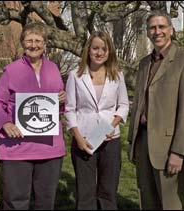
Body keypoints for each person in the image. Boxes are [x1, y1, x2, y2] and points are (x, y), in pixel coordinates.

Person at [127, 10, 184, 210]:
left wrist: (178, 151)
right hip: (143, 143)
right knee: (148, 202)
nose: (157, 31)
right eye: (152, 27)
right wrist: (132, 141)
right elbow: (139, 104)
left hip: (169, 148)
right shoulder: (144, 63)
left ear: (171, 30)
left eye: (162, 27)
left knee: (171, 205)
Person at [0, 22, 66, 210]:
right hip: (17, 147)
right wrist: (5, 123)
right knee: (16, 203)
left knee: (46, 203)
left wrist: (62, 101)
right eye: (29, 40)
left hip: (50, 147)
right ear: (23, 43)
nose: (34, 45)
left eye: (38, 40)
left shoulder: (53, 69)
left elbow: (57, 109)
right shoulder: (11, 70)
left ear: (45, 44)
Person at [64, 31, 129, 210]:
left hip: (110, 139)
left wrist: (112, 126)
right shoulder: (75, 76)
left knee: (107, 192)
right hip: (84, 140)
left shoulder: (117, 75)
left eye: (104, 49)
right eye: (95, 48)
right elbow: (70, 110)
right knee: (85, 193)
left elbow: (123, 105)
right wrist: (78, 139)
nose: (99, 53)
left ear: (109, 52)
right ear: (88, 51)